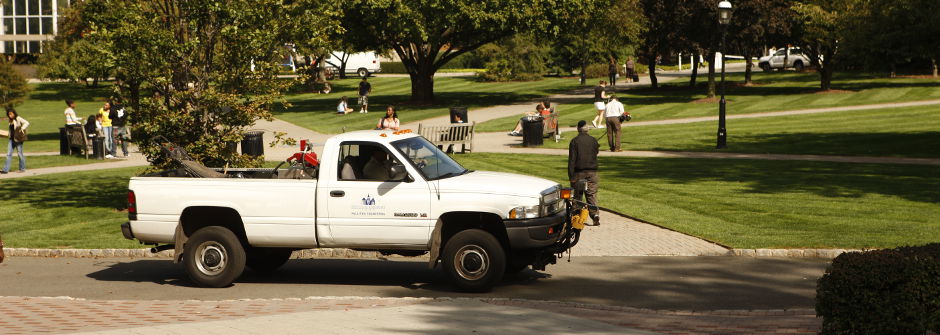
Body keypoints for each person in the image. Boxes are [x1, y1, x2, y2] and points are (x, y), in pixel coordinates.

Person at [568, 120, 600, 226]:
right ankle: (595, 214)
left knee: (577, 196)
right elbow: (596, 152)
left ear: (578, 129)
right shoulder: (593, 140)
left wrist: (571, 175)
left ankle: (576, 217)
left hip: (579, 172)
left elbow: (572, 159)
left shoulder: (575, 141)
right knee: (591, 194)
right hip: (593, 172)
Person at [2, 108, 29, 174]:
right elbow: (11, 130)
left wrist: (22, 128)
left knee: (20, 154)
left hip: (18, 139)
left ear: (14, 113)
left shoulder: (18, 118)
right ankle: (5, 170)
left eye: (11, 114)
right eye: (9, 114)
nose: (10, 115)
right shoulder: (10, 120)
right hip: (11, 139)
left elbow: (27, 123)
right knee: (8, 154)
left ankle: (22, 168)